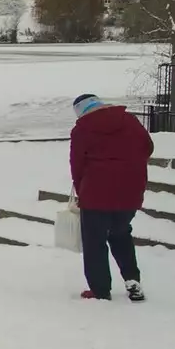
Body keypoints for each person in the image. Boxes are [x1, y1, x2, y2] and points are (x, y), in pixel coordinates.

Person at [69, 93, 154, 301]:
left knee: (94, 242)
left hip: (96, 194)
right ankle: (132, 279)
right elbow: (148, 147)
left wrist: (81, 189)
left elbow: (77, 164)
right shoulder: (129, 120)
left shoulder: (82, 129)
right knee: (121, 234)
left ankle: (100, 290)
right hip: (131, 191)